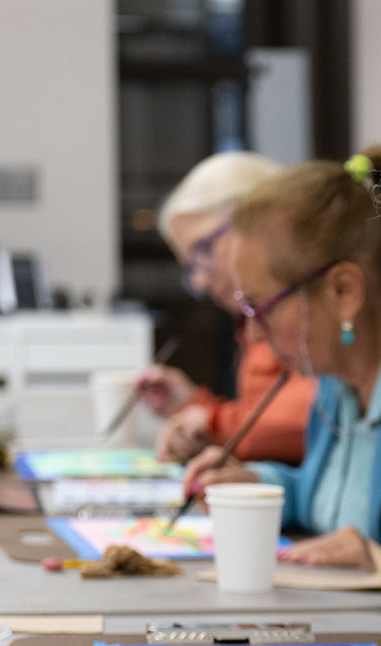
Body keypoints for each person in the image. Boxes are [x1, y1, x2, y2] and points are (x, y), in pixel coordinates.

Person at [186, 148, 381, 598]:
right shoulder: (337, 379)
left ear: (343, 291)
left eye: (262, 308)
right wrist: (262, 484)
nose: (253, 335)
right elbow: (337, 502)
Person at [133, 152, 315, 464]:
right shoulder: (252, 322)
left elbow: (314, 415)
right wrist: (194, 406)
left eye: (203, 249)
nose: (201, 282)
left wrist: (213, 420)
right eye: (190, 267)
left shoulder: (314, 301)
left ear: (260, 219)